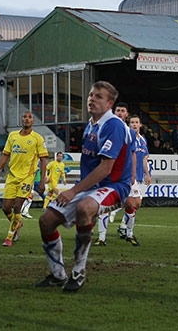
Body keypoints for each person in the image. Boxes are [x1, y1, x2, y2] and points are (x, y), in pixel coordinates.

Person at [35, 81, 133, 292]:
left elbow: (106, 168)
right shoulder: (90, 125)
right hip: (93, 187)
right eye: (90, 95)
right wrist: (77, 189)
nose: (92, 99)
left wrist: (73, 191)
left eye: (98, 96)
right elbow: (90, 166)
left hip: (115, 186)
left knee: (84, 209)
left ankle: (78, 273)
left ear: (109, 103)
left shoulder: (113, 125)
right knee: (46, 222)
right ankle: (58, 274)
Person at [0, 111, 48, 246]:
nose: (27, 119)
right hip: (12, 176)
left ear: (33, 121)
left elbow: (43, 160)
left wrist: (42, 181)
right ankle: (17, 223)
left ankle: (9, 237)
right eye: (25, 117)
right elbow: (5, 155)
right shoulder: (12, 135)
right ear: (22, 120)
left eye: (30, 117)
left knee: (17, 206)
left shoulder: (38, 138)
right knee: (6, 208)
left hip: (27, 177)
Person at [94, 102, 136, 246]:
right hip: (107, 175)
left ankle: (129, 234)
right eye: (117, 110)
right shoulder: (106, 128)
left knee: (130, 204)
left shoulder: (130, 133)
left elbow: (132, 154)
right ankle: (101, 237)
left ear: (126, 114)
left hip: (123, 176)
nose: (119, 113)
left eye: (122, 111)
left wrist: (133, 174)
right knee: (103, 206)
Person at [120, 114, 152, 246]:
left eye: (136, 122)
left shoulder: (143, 140)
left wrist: (147, 174)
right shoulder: (126, 138)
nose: (134, 124)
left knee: (137, 204)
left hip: (138, 177)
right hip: (128, 176)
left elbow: (145, 159)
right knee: (131, 204)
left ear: (140, 125)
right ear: (129, 125)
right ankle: (129, 233)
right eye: (132, 122)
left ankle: (123, 225)